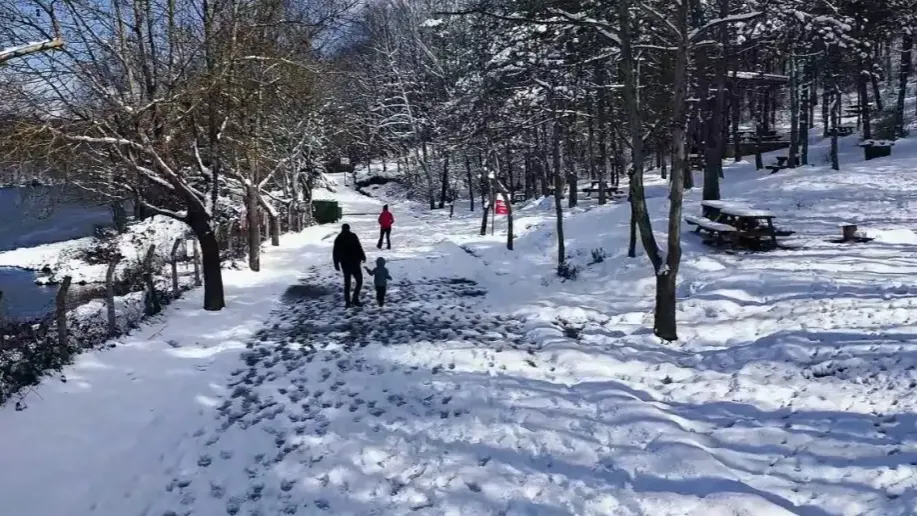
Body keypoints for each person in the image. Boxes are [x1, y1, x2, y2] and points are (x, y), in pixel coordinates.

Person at [332, 223, 366, 307]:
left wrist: (336, 263)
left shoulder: (338, 238)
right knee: (359, 281)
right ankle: (355, 298)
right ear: (349, 228)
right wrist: (363, 256)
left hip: (345, 264)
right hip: (355, 263)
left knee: (347, 283)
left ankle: (348, 302)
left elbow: (335, 252)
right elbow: (359, 247)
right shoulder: (353, 236)